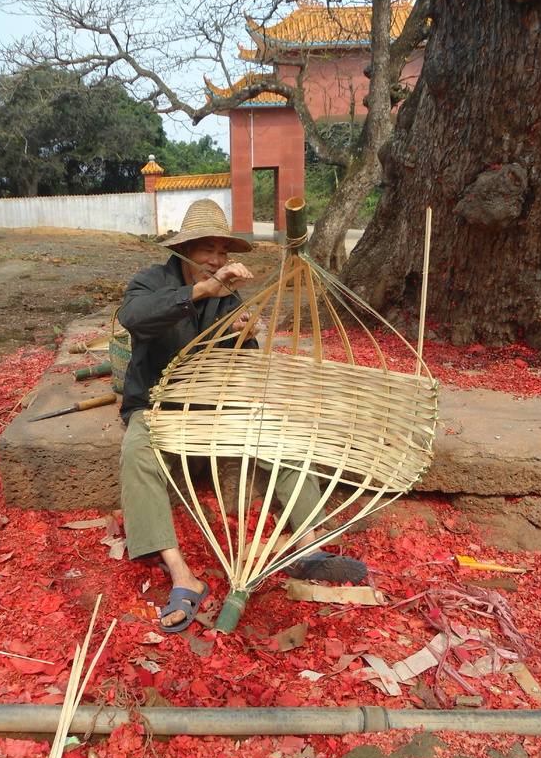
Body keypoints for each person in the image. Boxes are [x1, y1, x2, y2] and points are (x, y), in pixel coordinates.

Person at [118, 199, 366, 632]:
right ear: (185, 249)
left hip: (214, 405)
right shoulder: (150, 283)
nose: (216, 260)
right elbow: (135, 320)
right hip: (158, 403)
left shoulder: (229, 295)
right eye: (207, 250)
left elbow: (240, 367)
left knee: (281, 435)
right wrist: (200, 292)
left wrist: (242, 337)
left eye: (222, 252)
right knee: (138, 453)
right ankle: (183, 576)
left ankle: (307, 547)